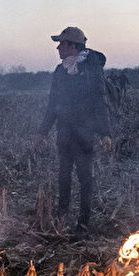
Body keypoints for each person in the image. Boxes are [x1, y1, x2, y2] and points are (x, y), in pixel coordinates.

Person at [33, 26, 114, 234]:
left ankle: (83, 224)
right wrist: (42, 133)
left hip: (84, 135)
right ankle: (61, 218)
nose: (58, 48)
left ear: (73, 46)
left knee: (85, 179)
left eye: (62, 43)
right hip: (65, 134)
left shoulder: (91, 70)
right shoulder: (60, 71)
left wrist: (105, 134)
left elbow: (100, 102)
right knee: (63, 177)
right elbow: (52, 105)